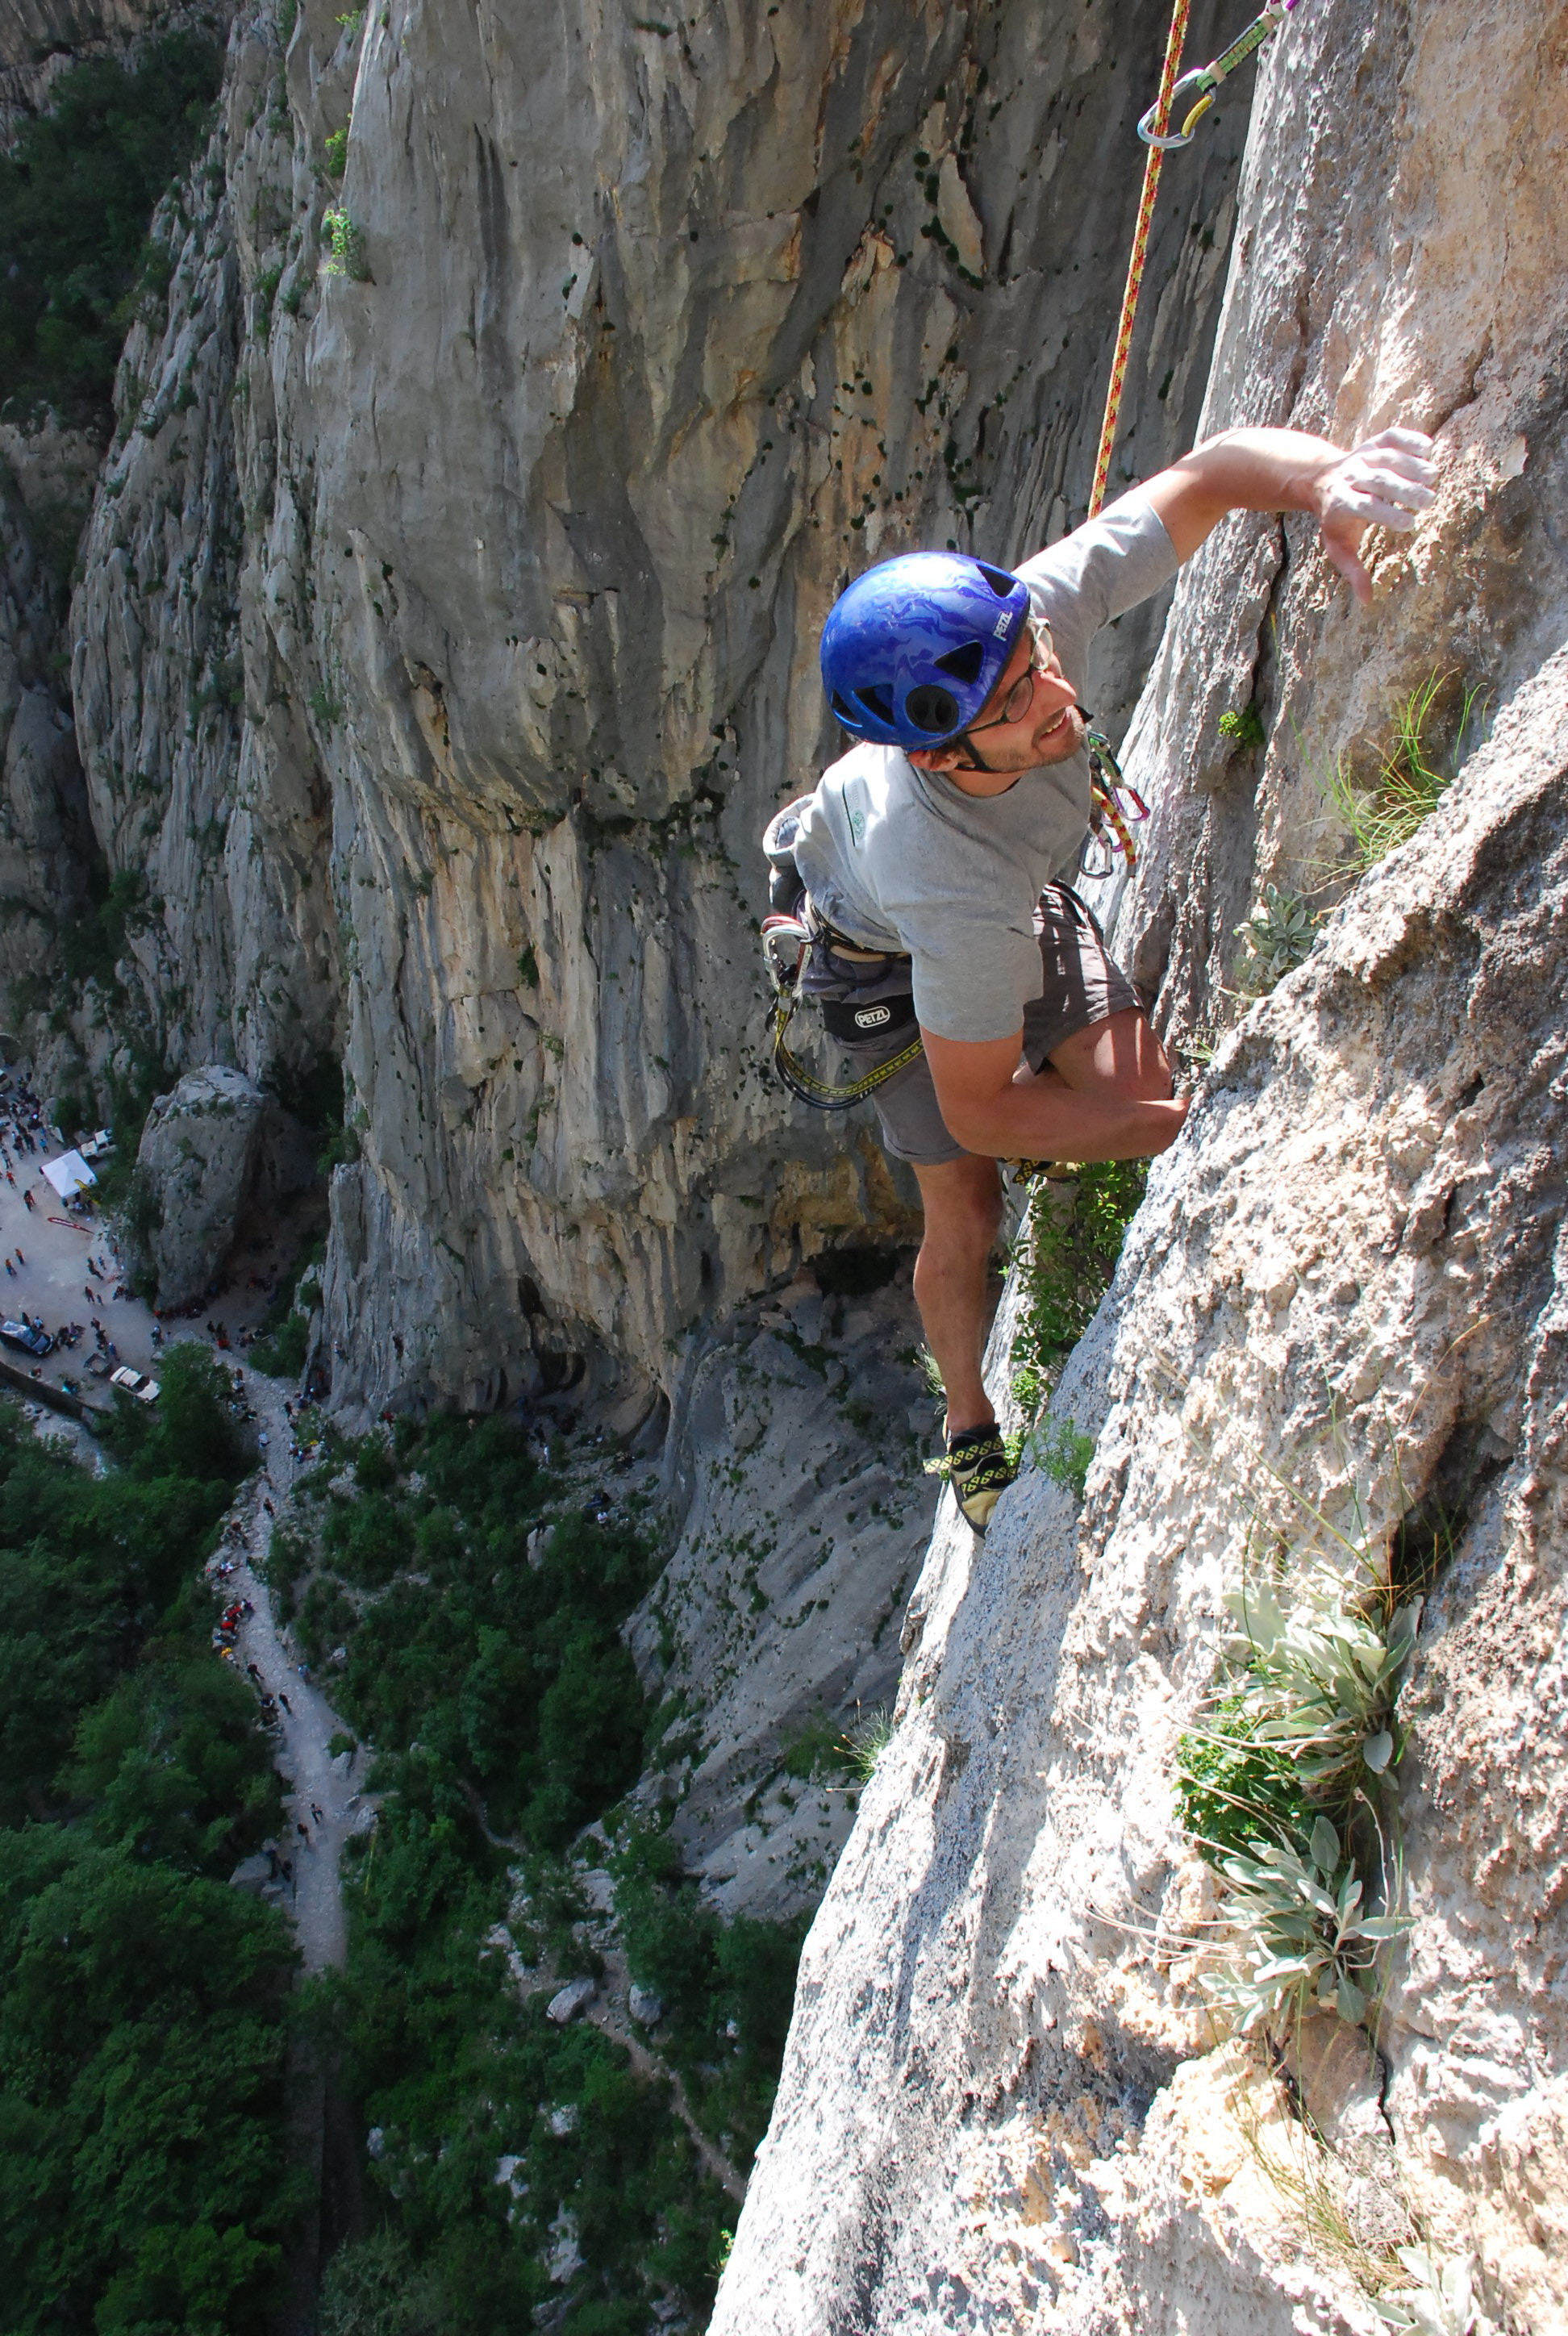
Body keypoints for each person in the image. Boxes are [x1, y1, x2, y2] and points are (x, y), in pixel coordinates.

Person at [779, 425, 1438, 1531]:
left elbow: (1210, 473)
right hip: (883, 970)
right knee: (970, 1207)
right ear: (941, 755)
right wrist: (1186, 1134)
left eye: (1037, 664)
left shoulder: (1022, 632)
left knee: (1130, 1105)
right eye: (1015, 709)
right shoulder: (952, 883)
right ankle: (971, 1428)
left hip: (1006, 902)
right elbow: (977, 1107)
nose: (1054, 699)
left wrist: (1321, 478)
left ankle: (1089, 1141)